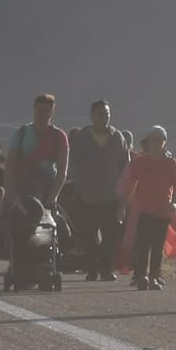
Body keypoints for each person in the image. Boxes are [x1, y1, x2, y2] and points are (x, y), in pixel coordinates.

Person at [69, 100, 131, 282]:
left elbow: (125, 166)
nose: (104, 118)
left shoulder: (117, 137)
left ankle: (106, 269)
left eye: (107, 114)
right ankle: (92, 269)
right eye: (100, 114)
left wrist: (123, 193)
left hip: (111, 196)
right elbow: (72, 163)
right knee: (88, 236)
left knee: (110, 236)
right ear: (92, 116)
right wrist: (79, 182)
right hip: (87, 196)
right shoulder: (81, 138)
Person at [121, 126, 176, 291]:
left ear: (165, 143)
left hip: (162, 210)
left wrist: (175, 202)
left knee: (157, 245)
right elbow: (131, 184)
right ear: (147, 142)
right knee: (142, 244)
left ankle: (155, 276)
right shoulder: (140, 162)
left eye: (160, 139)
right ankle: (141, 276)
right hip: (143, 210)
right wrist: (124, 206)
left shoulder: (171, 163)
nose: (156, 143)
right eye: (153, 139)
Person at [4, 94, 71, 208]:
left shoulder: (59, 136)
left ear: (52, 112)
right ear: (34, 110)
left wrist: (52, 197)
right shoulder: (22, 133)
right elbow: (10, 166)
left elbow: (62, 172)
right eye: (39, 109)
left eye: (46, 110)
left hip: (47, 188)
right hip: (21, 187)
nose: (42, 113)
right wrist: (11, 193)